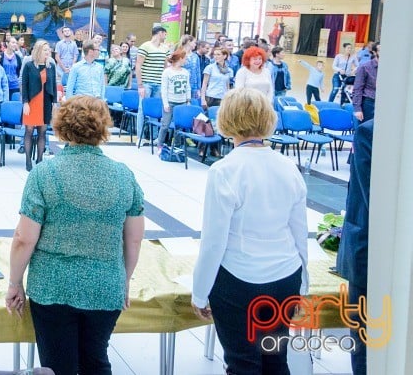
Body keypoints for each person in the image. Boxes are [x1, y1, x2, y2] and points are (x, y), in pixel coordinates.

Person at [6, 95, 144, 375]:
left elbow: (24, 238)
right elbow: (134, 238)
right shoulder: (123, 175)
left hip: (54, 288)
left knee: (58, 365)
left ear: (61, 126)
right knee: (96, 359)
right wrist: (123, 280)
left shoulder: (45, 173)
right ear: (104, 127)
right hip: (105, 286)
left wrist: (14, 282)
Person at [192, 88, 308, 374]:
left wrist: (199, 292)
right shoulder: (288, 166)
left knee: (243, 362)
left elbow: (213, 242)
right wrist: (304, 283)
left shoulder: (225, 170)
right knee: (275, 361)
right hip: (285, 278)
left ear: (227, 119)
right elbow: (299, 232)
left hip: (240, 281)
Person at [336, 119, 374, 375]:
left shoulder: (371, 131)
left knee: (366, 341)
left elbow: (371, 198)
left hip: (370, 252)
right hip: (367, 251)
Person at [20, 40, 56, 171]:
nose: (48, 52)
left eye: (49, 50)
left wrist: (54, 103)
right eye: (46, 50)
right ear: (39, 51)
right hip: (31, 102)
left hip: (45, 103)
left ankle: (40, 159)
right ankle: (28, 160)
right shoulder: (29, 66)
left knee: (42, 132)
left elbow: (54, 86)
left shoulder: (51, 65)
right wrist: (25, 103)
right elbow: (24, 85)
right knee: (29, 131)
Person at [135, 25, 170, 139]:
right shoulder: (145, 46)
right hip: (146, 82)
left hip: (159, 83)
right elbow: (138, 65)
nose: (166, 36)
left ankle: (154, 137)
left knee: (155, 110)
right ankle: (140, 136)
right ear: (160, 33)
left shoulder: (165, 48)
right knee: (142, 109)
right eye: (165, 34)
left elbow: (166, 66)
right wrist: (140, 85)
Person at [157, 49, 190, 151]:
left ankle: (177, 145)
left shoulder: (185, 72)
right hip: (170, 102)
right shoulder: (167, 72)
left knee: (179, 126)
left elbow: (187, 87)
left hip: (182, 102)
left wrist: (188, 100)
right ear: (180, 58)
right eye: (185, 58)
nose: (186, 60)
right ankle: (160, 144)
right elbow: (164, 89)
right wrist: (165, 103)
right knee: (165, 125)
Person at [352, 42, 378, 122]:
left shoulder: (390, 68)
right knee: (366, 131)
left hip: (385, 103)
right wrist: (357, 109)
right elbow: (357, 88)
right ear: (374, 52)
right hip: (369, 102)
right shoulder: (365, 67)